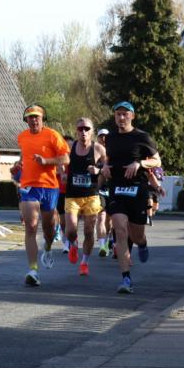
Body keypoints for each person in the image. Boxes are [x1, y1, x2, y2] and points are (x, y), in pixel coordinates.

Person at [101, 101, 161, 294]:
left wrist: (139, 164)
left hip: (137, 189)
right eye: (118, 114)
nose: (121, 117)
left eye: (125, 114)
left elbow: (157, 160)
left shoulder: (142, 137)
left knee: (136, 234)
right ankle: (126, 279)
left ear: (132, 116)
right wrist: (104, 168)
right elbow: (108, 160)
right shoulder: (110, 139)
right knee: (119, 229)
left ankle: (142, 243)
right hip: (117, 188)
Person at [12, 105, 69, 287]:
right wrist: (17, 168)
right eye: (30, 117)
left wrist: (46, 161)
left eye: (37, 117)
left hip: (50, 187)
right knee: (31, 225)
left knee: (48, 229)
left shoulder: (53, 135)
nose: (33, 120)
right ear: (26, 120)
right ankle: (33, 270)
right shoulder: (22, 137)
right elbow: (24, 158)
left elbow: (66, 159)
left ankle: (49, 247)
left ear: (43, 118)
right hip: (29, 186)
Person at [63, 118, 106, 276]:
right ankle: (73, 245)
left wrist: (99, 170)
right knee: (71, 230)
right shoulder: (70, 147)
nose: (83, 132)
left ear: (92, 131)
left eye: (87, 129)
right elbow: (60, 162)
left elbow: (109, 168)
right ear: (76, 130)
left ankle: (84, 262)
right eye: (80, 128)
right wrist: (62, 173)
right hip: (72, 195)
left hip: (91, 195)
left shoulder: (99, 149)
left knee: (89, 231)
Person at [95, 128, 112, 257]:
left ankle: (109, 240)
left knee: (110, 222)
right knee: (101, 218)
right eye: (101, 136)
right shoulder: (93, 153)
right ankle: (102, 246)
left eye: (106, 136)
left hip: (113, 190)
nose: (104, 139)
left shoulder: (115, 152)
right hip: (99, 190)